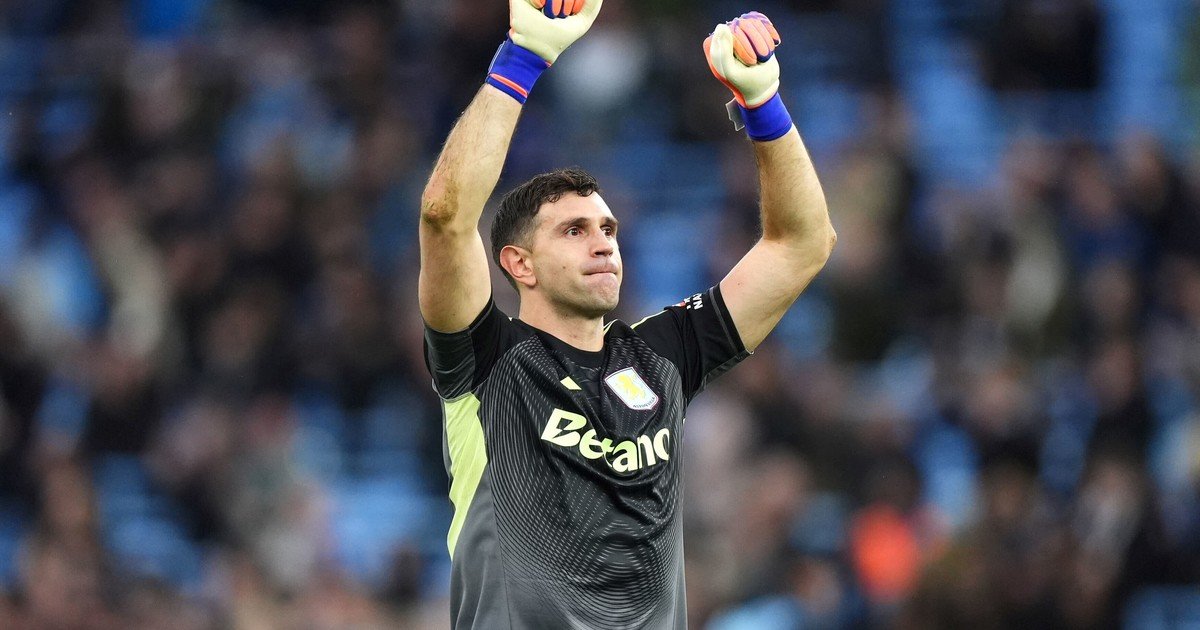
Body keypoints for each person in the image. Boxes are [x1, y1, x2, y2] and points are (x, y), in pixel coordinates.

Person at [419, 1, 835, 627]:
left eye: (608, 227)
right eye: (574, 230)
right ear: (519, 264)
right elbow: (446, 216)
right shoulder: (487, 363)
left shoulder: (660, 358)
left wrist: (764, 104)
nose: (603, 241)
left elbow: (802, 245)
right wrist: (524, 55)